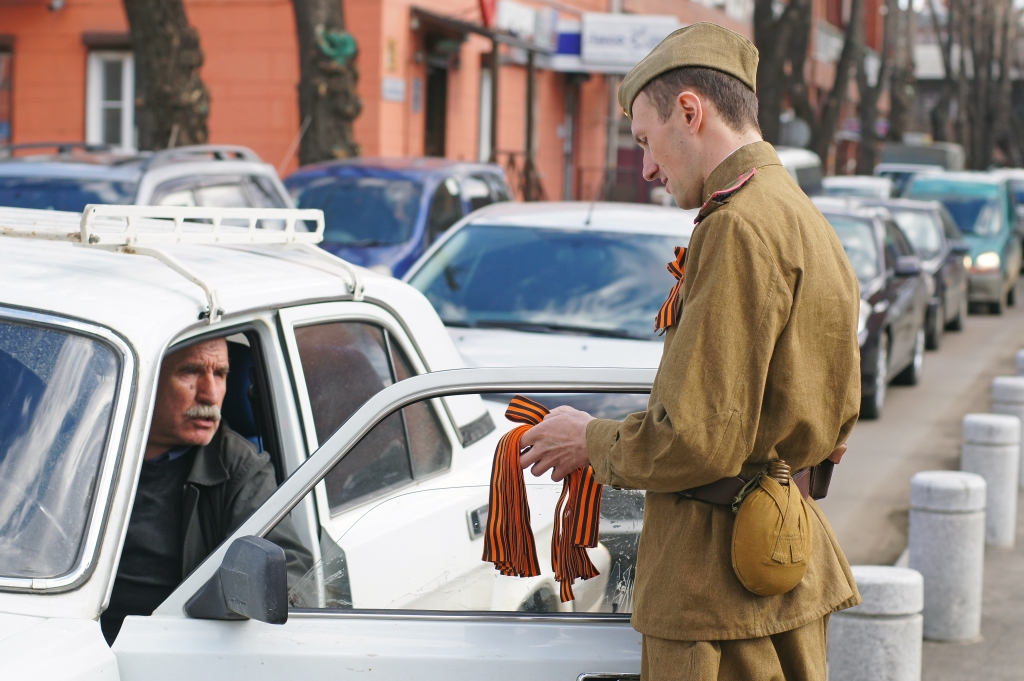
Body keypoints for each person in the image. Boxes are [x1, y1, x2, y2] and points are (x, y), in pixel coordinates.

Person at [520, 23, 862, 680]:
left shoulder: (735, 227)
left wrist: (588, 440)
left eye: (646, 139)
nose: (646, 166)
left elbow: (695, 440)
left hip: (715, 593)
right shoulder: (799, 214)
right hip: (784, 561)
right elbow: (836, 417)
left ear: (690, 111)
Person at [101, 337, 311, 644]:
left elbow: (292, 575)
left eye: (221, 374)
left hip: (177, 652)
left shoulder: (239, 467)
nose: (210, 394)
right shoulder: (84, 449)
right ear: (145, 375)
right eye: (190, 372)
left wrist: (221, 607)